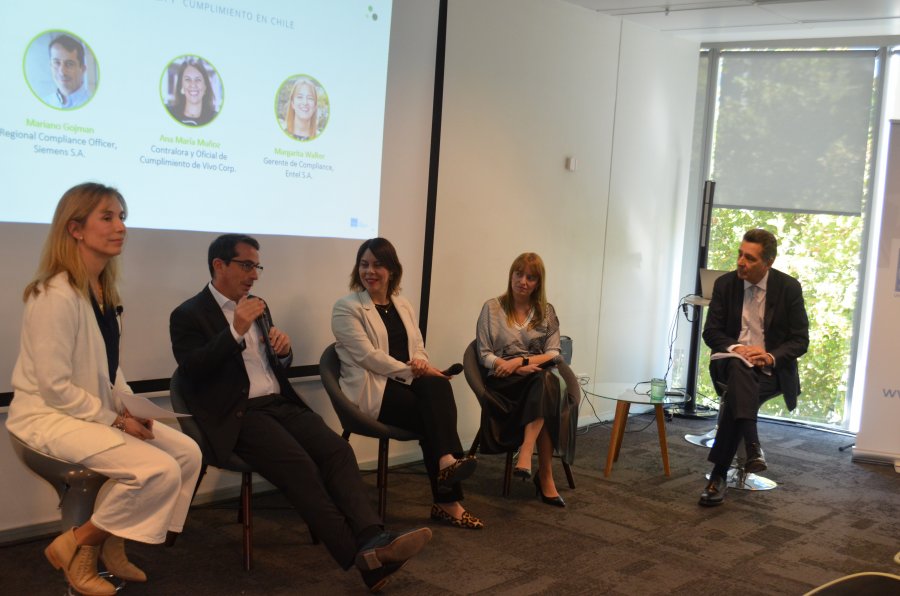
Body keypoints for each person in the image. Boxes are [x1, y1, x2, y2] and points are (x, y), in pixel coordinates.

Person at [169, 234, 431, 592]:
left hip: (280, 404)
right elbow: (193, 371)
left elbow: (272, 366)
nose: (254, 275)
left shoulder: (258, 305)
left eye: (257, 267)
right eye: (247, 266)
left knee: (338, 451)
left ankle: (373, 537)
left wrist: (283, 352)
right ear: (219, 265)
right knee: (301, 467)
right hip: (239, 415)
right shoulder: (187, 315)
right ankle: (362, 558)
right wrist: (234, 331)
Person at [6, 183, 202, 596]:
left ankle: (113, 537)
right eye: (108, 217)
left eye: (122, 217)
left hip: (87, 412)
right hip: (48, 417)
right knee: (157, 469)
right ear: (75, 229)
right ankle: (79, 548)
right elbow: (55, 388)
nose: (121, 227)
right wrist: (115, 420)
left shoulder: (102, 292)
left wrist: (132, 409)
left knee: (187, 454)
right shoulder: (54, 295)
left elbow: (109, 369)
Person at [332, 238, 482, 530]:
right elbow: (369, 358)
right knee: (433, 413)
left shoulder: (403, 304)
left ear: (392, 270)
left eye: (377, 264)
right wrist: (415, 371)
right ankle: (448, 497)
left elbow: (418, 347)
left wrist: (421, 363)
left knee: (438, 389)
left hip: (406, 383)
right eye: (364, 264)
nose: (369, 271)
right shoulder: (346, 308)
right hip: (373, 389)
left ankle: (446, 465)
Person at [699, 228, 809, 507]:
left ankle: (719, 476)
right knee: (740, 369)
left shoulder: (788, 288)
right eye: (740, 255)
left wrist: (769, 356)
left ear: (768, 262)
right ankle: (751, 446)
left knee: (738, 396)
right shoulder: (725, 284)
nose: (741, 262)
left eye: (749, 258)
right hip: (730, 363)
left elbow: (800, 340)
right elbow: (711, 333)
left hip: (770, 371)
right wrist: (738, 349)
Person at [476, 252, 575, 507]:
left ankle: (527, 451)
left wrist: (520, 362)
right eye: (518, 274)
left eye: (531, 278)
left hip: (534, 376)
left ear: (538, 283)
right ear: (511, 275)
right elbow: (484, 354)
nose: (523, 281)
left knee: (545, 382)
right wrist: (508, 366)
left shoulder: (546, 312)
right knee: (548, 388)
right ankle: (544, 476)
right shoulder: (492, 308)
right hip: (504, 381)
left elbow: (553, 353)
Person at [42, 34, 92, 109]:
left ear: (82, 69)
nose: (62, 72)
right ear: (50, 66)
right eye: (57, 63)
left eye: (69, 64)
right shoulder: (43, 104)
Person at [167, 58, 217, 126]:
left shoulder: (215, 118)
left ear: (205, 87)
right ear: (181, 86)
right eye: (187, 79)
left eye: (198, 79)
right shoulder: (169, 114)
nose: (193, 84)